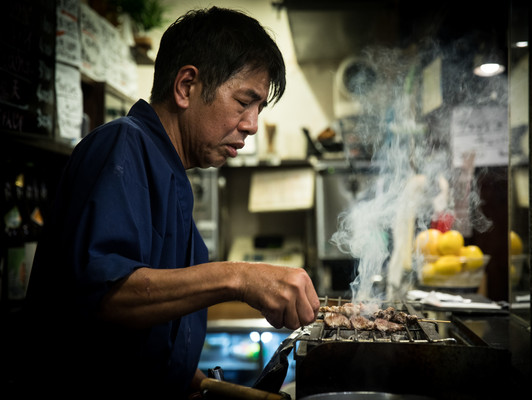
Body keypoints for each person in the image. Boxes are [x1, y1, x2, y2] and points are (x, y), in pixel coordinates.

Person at [24, 7, 320, 399]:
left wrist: (206, 386)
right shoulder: (122, 144)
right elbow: (104, 295)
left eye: (259, 109)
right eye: (244, 102)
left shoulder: (172, 174)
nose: (251, 124)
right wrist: (239, 277)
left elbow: (142, 344)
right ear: (186, 87)